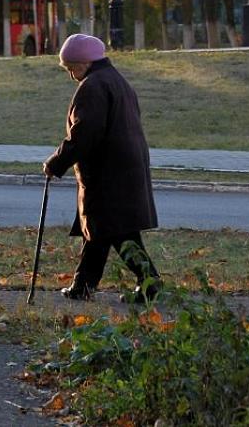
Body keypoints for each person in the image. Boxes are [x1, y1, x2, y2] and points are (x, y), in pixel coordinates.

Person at [42, 33, 161, 303]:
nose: (72, 75)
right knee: (103, 231)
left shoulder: (94, 86)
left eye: (72, 68)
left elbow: (83, 135)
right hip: (123, 169)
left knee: (113, 231)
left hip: (108, 174)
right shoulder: (117, 81)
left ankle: (147, 284)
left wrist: (55, 163)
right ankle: (85, 286)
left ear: (85, 62)